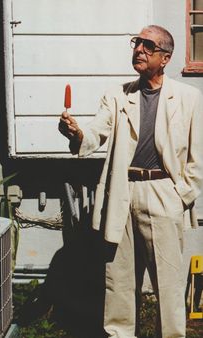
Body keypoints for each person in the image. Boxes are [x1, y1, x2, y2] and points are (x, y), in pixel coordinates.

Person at [58, 25, 203, 338]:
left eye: (148, 45)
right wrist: (77, 134)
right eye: (137, 43)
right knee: (119, 280)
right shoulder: (117, 95)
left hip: (164, 192)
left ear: (165, 58)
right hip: (122, 193)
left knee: (168, 280)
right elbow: (95, 133)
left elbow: (197, 157)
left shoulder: (190, 98)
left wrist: (180, 196)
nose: (138, 49)